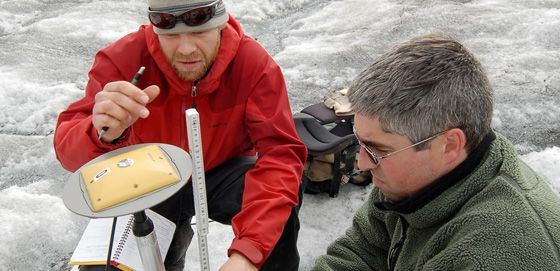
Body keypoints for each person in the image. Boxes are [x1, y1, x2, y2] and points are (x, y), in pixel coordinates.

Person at [54, 0, 307, 270]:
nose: (186, 49)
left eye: (199, 31)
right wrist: (101, 133)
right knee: (108, 266)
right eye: (171, 35)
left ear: (220, 24)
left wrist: (249, 253)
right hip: (148, 179)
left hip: (221, 174)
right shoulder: (123, 59)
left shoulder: (253, 64)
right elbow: (69, 155)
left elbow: (281, 155)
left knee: (280, 204)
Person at [312, 33, 560, 270]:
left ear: (449, 145)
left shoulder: (503, 253)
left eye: (377, 150)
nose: (363, 163)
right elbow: (360, 253)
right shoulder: (413, 176)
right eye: (361, 143)